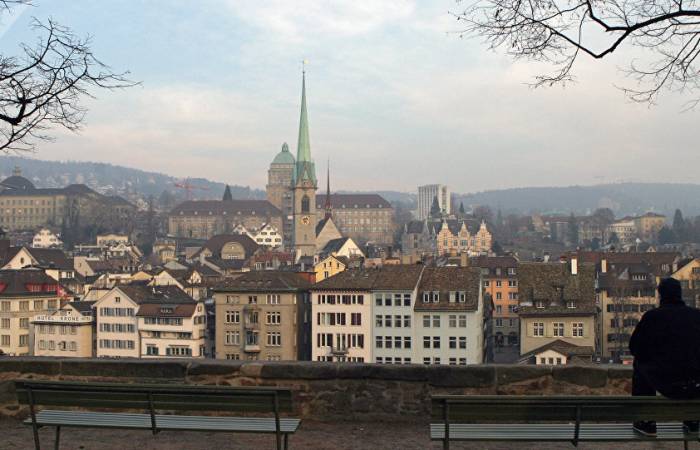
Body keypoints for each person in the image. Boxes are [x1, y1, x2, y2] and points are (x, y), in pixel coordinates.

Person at [629, 277, 700, 436]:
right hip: (695, 384)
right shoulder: (697, 316)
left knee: (640, 364)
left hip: (664, 382)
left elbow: (635, 348)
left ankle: (646, 421)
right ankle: (693, 418)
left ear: (660, 295)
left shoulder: (652, 317)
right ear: (680, 294)